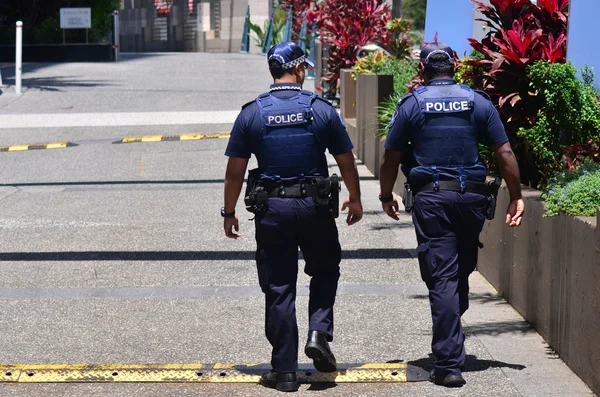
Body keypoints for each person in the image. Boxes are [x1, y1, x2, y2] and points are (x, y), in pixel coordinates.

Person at [378, 42, 525, 388]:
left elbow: (391, 157)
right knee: (459, 270)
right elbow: (503, 151)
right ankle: (451, 339)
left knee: (443, 276)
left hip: (433, 200)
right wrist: (517, 196)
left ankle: (447, 364)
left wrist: (386, 194)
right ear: (454, 67)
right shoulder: (478, 102)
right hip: (471, 200)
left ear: (424, 70)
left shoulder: (413, 105)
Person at [222, 41, 363, 392]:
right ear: (298, 70)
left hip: (272, 210)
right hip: (315, 208)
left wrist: (228, 212)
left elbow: (234, 172)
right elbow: (346, 159)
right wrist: (355, 198)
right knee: (326, 268)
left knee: (280, 286)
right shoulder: (320, 110)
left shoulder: (252, 113)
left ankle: (284, 371)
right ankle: (319, 331)